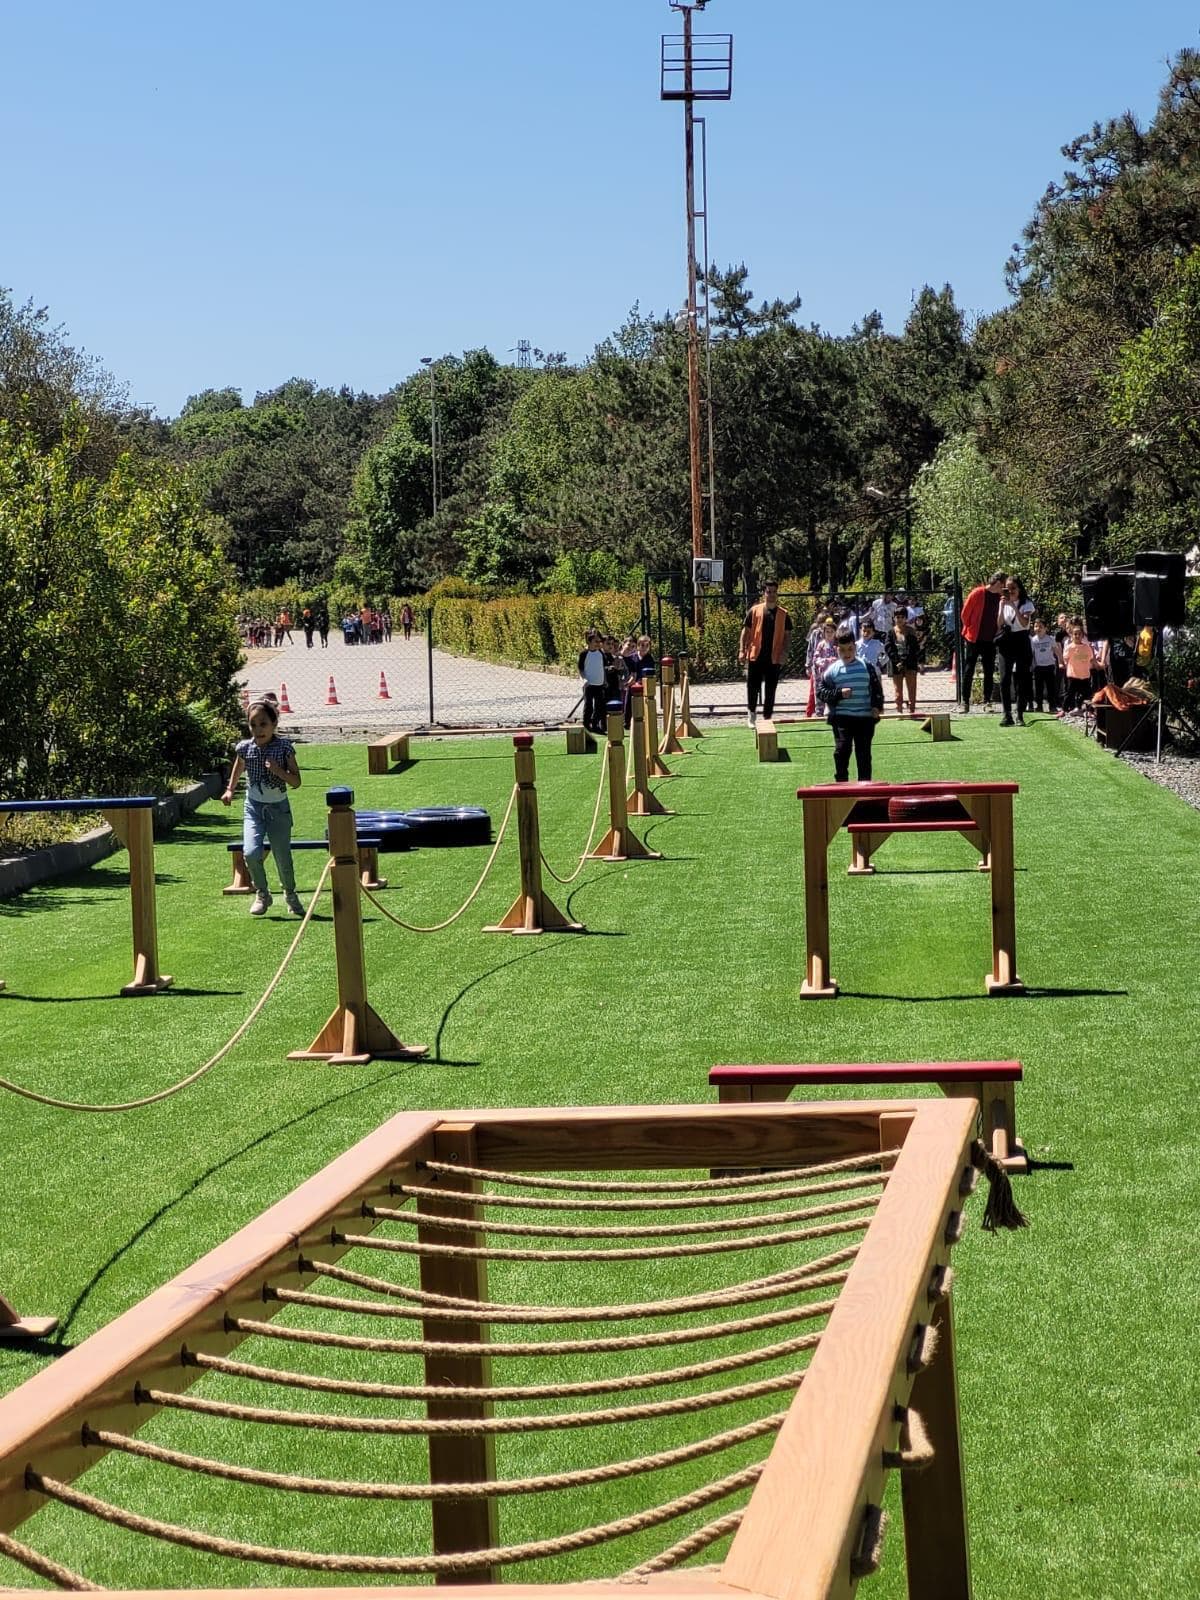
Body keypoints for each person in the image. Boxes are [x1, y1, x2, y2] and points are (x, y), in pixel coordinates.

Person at [220, 699, 304, 917]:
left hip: (278, 809)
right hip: (254, 808)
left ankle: (290, 894)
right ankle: (262, 894)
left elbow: (296, 782)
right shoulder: (245, 748)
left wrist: (279, 771)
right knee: (250, 852)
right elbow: (239, 766)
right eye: (253, 725)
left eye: (263, 724)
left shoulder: (284, 748)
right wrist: (229, 790)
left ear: (274, 724)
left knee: (282, 857)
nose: (258, 730)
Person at [818, 630, 884, 781]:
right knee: (842, 750)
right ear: (837, 649)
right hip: (842, 718)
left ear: (855, 647)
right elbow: (821, 692)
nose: (846, 653)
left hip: (864, 718)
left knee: (863, 754)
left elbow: (876, 688)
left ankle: (865, 785)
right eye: (842, 650)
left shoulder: (866, 667)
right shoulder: (833, 670)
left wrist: (876, 706)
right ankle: (841, 783)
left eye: (850, 649)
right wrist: (839, 693)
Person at [739, 580, 793, 727]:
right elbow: (745, 631)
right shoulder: (754, 611)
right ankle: (751, 715)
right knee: (752, 687)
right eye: (769, 592)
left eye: (774, 592)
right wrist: (742, 650)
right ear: (764, 593)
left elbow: (787, 636)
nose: (771, 594)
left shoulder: (784, 614)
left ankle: (767, 717)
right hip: (755, 656)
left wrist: (785, 653)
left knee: (771, 689)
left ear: (777, 593)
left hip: (774, 658)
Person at [959, 571, 1007, 713]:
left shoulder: (1000, 597)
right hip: (974, 638)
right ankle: (965, 702)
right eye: (1003, 584)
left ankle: (987, 701)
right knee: (969, 669)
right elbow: (964, 614)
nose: (1004, 587)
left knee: (989, 670)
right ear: (998, 583)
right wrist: (971, 627)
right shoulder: (978, 593)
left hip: (990, 640)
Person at [997, 576, 1035, 726]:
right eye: (1008, 588)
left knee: (1022, 678)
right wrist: (1002, 607)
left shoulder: (1027, 604)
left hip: (1021, 640)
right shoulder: (1003, 603)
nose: (1010, 591)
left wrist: (1013, 606)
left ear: (1019, 589)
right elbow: (999, 623)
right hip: (1006, 640)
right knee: (1004, 678)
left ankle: (1020, 714)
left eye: (1013, 588)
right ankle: (1007, 714)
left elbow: (1024, 623)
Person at [883, 607, 922, 717]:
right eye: (897, 617)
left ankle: (912, 709)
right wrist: (897, 661)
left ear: (906, 618)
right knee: (897, 690)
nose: (899, 619)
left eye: (902, 617)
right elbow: (888, 648)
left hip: (910, 663)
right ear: (894, 618)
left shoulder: (911, 631)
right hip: (896, 664)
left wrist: (904, 661)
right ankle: (899, 710)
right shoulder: (890, 632)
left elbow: (914, 648)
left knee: (912, 687)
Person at [1060, 618, 1097, 716]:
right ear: (1072, 635)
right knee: (1069, 693)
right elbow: (1066, 659)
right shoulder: (1069, 648)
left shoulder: (1087, 647)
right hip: (1073, 675)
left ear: (1082, 635)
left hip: (1085, 675)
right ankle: (1063, 710)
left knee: (1088, 694)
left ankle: (1088, 710)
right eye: (1075, 634)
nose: (1077, 636)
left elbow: (1091, 658)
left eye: (1079, 634)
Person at [806, 615, 839, 720]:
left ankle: (833, 711)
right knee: (819, 693)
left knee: (833, 692)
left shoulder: (837, 646)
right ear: (824, 633)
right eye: (827, 632)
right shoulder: (821, 645)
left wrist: (832, 661)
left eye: (831, 631)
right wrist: (823, 662)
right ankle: (819, 712)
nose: (829, 634)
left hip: (833, 674)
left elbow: (840, 658)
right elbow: (815, 657)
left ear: (835, 632)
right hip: (821, 673)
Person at [578, 629, 608, 734]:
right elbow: (581, 669)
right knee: (589, 705)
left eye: (599, 641)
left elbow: (603, 667)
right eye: (596, 641)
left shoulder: (600, 653)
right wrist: (584, 679)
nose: (598, 644)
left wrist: (605, 680)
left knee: (599, 706)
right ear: (589, 641)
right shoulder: (584, 654)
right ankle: (586, 725)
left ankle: (595, 725)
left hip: (599, 684)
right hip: (589, 685)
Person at [1030, 619, 1063, 710]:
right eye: (1036, 626)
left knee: (1051, 687)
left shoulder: (1050, 639)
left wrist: (1061, 661)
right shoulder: (1033, 640)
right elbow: (1032, 654)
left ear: (1045, 628)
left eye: (1040, 627)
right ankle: (1039, 705)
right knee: (1038, 688)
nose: (1038, 628)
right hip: (1038, 667)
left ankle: (1052, 705)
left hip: (1049, 666)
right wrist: (1032, 665)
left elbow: (1057, 651)